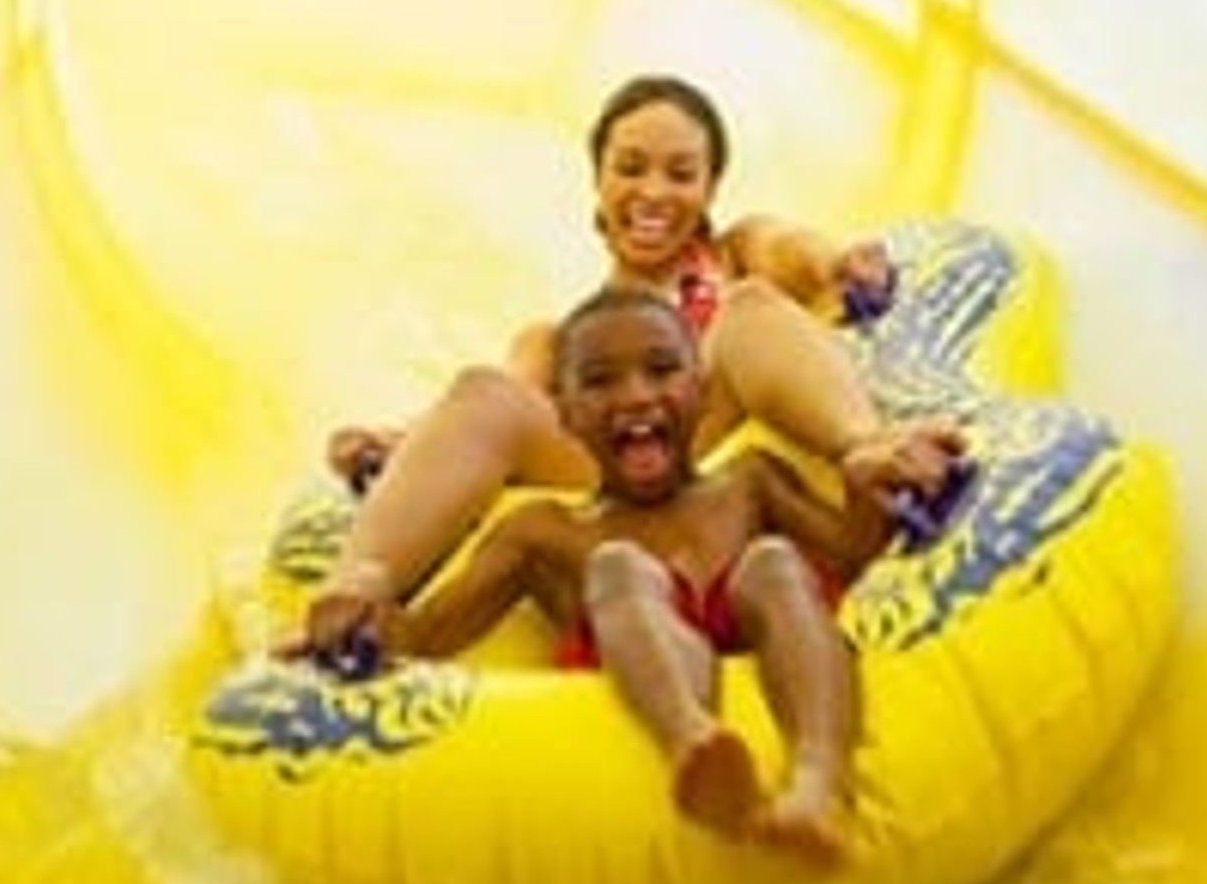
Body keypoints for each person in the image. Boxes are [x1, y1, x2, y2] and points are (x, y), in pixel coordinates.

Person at [309, 73, 962, 655]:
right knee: (494, 382)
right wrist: (396, 440)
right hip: (625, 477)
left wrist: (841, 261)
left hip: (719, 441)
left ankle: (871, 450)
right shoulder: (568, 342)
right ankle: (356, 592)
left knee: (749, 308)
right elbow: (494, 402)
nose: (654, 192)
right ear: (598, 180)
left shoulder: (733, 257)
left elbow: (792, 247)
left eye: (681, 174)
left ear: (710, 191)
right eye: (631, 168)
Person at [290, 287, 899, 862]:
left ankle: (819, 781)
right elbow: (423, 640)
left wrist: (866, 484)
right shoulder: (547, 531)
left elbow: (851, 556)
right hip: (635, 644)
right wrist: (365, 603)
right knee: (620, 568)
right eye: (601, 382)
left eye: (661, 371)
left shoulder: (750, 482)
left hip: (754, 622)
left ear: (704, 393)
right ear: (565, 415)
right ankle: (695, 742)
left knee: (772, 564)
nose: (635, 396)